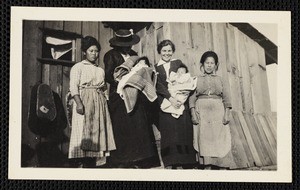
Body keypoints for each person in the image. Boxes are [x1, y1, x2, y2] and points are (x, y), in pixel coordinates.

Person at [104, 29, 160, 168]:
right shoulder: (111, 55)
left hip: (135, 93)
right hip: (119, 95)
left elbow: (141, 70)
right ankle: (123, 160)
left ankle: (140, 159)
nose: (128, 46)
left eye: (129, 44)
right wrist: (124, 80)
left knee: (138, 125)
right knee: (122, 126)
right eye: (125, 44)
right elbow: (109, 75)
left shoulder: (134, 55)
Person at [68, 36, 116, 168]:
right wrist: (78, 103)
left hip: (99, 102)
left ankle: (93, 163)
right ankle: (81, 162)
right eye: (91, 51)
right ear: (84, 52)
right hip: (84, 100)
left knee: (97, 132)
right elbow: (73, 87)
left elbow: (104, 88)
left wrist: (106, 103)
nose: (94, 54)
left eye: (96, 51)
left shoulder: (100, 70)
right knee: (83, 130)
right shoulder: (78, 67)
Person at [155, 39, 196, 169]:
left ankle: (185, 160)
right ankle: (171, 161)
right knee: (169, 132)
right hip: (166, 102)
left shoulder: (178, 63)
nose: (167, 53)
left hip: (180, 101)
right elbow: (158, 85)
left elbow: (185, 78)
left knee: (182, 130)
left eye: (169, 51)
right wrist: (170, 98)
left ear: (173, 52)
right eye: (164, 51)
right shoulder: (156, 68)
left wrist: (180, 97)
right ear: (160, 52)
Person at [189, 51, 234, 169]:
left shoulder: (221, 79)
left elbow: (227, 98)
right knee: (203, 139)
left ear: (216, 65)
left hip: (218, 112)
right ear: (202, 64)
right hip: (202, 112)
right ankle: (206, 164)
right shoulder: (196, 79)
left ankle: (220, 164)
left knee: (219, 138)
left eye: (212, 63)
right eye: (207, 63)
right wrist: (193, 113)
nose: (209, 65)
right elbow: (192, 98)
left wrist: (227, 114)